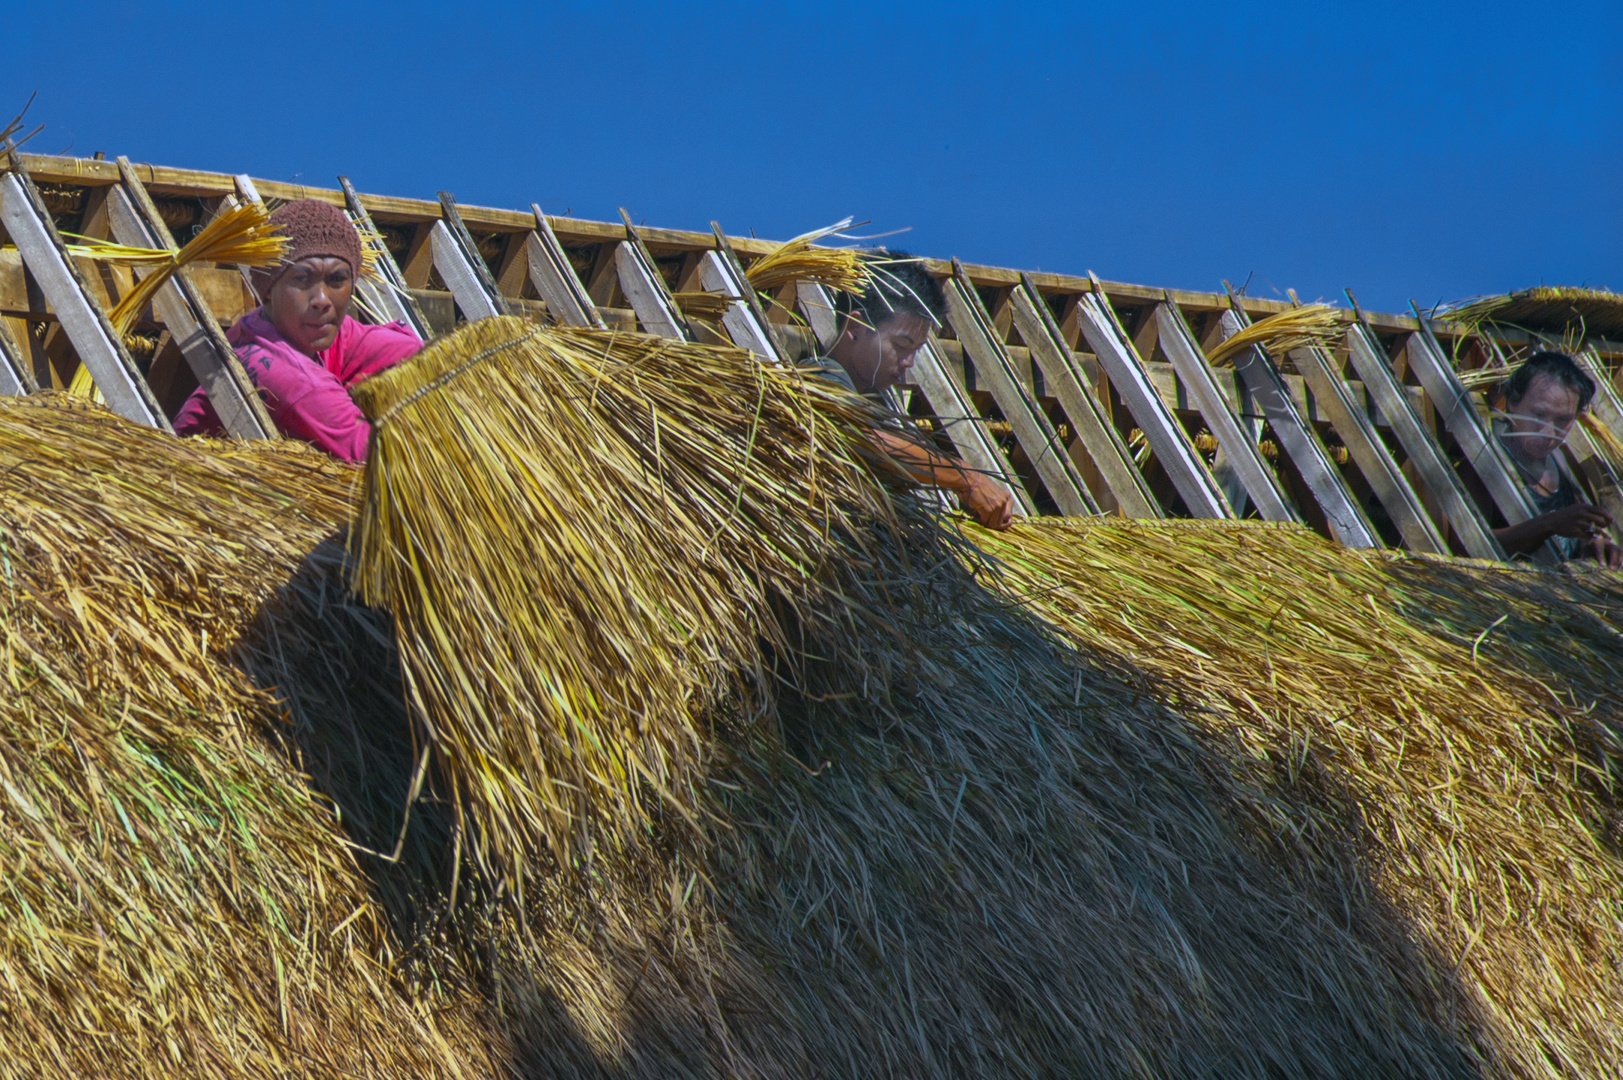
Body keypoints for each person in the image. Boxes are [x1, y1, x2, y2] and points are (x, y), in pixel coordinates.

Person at [174, 199, 421, 462]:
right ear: (268, 291)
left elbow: (418, 353)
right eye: (302, 279)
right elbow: (384, 463)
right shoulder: (294, 382)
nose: (323, 300)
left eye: (337, 280)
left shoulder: (290, 326)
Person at [806, 252, 1015, 529]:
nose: (908, 363)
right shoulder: (817, 375)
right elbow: (863, 439)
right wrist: (965, 476)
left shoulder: (879, 405)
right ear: (855, 326)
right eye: (901, 346)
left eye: (915, 350)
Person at [1472, 350, 1622, 566]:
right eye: (1538, 414)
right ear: (1512, 403)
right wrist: (1548, 524)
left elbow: (1571, 538)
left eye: (1563, 419)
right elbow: (1465, 544)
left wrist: (1592, 545)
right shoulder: (1486, 461)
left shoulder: (1561, 461)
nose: (1548, 432)